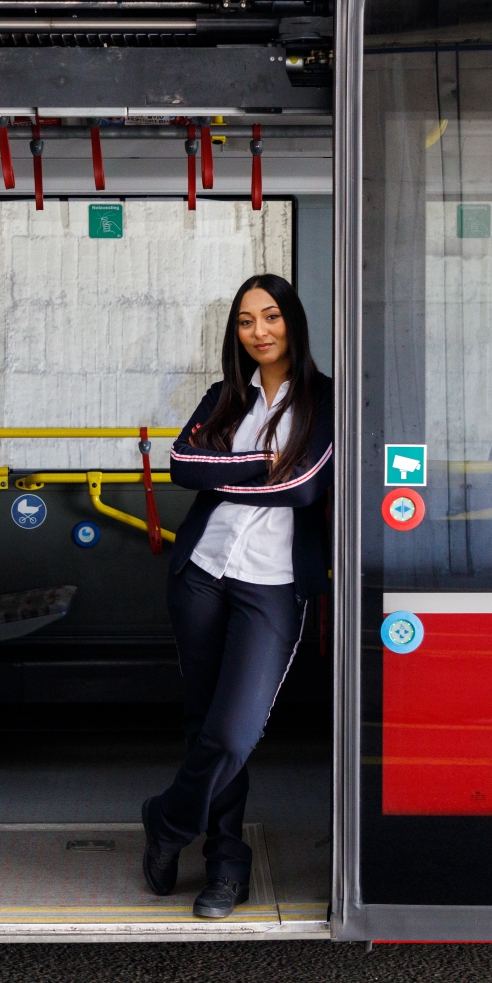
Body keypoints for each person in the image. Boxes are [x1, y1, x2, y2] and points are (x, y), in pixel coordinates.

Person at [141, 273, 333, 920]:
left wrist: (225, 474)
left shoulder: (326, 400)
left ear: (293, 322)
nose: (260, 332)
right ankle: (225, 867)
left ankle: (166, 824)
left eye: (271, 317)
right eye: (247, 321)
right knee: (203, 726)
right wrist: (260, 466)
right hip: (200, 573)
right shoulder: (223, 396)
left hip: (273, 585)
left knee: (232, 733)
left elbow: (305, 486)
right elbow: (181, 466)